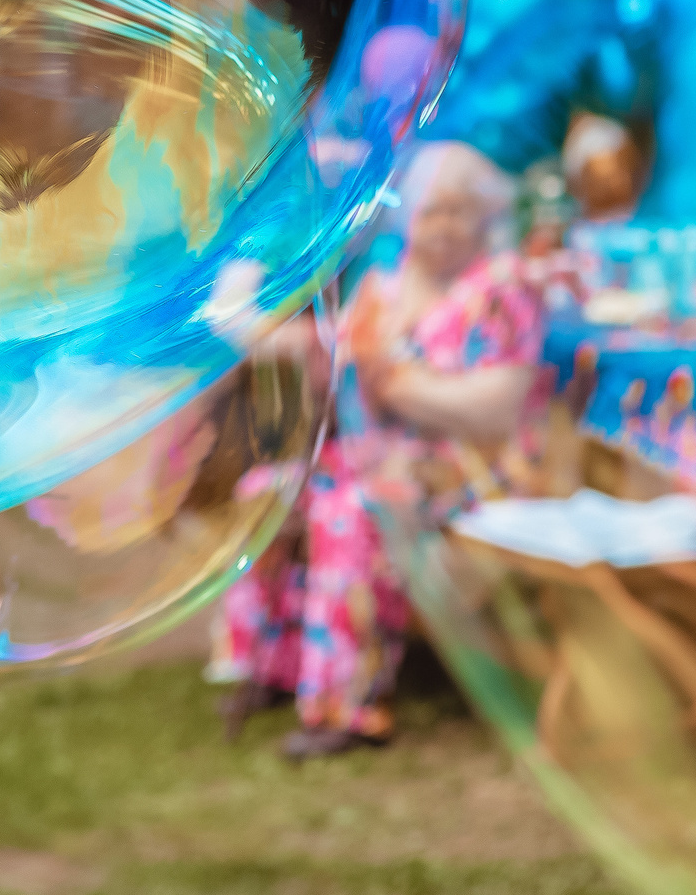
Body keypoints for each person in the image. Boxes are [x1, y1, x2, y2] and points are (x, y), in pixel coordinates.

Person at [216, 141, 543, 759]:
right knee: (266, 494)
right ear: (407, 216)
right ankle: (274, 667)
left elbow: (499, 406)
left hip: (472, 470)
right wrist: (244, 320)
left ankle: (348, 705)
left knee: (349, 510)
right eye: (430, 210)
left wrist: (401, 384)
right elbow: (328, 355)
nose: (443, 226)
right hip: (383, 459)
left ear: (485, 216)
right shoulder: (386, 289)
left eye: (458, 211)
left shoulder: (504, 285)